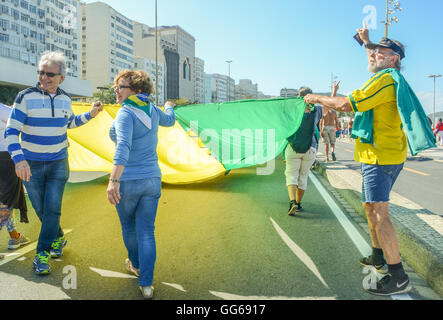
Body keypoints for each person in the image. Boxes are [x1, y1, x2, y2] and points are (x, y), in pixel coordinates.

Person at [303, 25, 421, 295]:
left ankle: (398, 276)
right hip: (378, 155)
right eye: (373, 51)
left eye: (380, 52)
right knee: (370, 208)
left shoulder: (385, 80)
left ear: (394, 59)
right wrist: (366, 43)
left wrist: (314, 97)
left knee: (380, 214)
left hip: (381, 158)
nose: (374, 55)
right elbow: (370, 61)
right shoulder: (385, 75)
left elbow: (346, 105)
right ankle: (378, 256)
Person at [4, 51, 103, 275]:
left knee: (52, 209)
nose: (44, 78)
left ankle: (42, 254)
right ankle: (58, 237)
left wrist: (91, 115)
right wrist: (19, 160)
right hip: (31, 165)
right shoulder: (24, 97)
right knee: (41, 209)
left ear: (62, 78)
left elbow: (69, 123)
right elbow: (11, 132)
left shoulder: (66, 99)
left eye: (50, 74)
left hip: (59, 162)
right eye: (41, 72)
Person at [107, 70, 176, 299]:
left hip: (128, 181)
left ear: (137, 91)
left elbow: (122, 145)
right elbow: (171, 119)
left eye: (121, 87)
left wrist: (113, 180)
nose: (116, 91)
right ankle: (146, 285)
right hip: (152, 180)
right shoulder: (154, 110)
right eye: (116, 87)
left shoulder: (126, 113)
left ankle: (135, 264)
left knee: (129, 228)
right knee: (146, 232)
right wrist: (169, 105)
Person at [285, 87, 322, 215]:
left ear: (298, 96)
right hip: (310, 148)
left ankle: (292, 202)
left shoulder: (293, 110)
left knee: (291, 175)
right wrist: (333, 92)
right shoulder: (317, 109)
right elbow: (329, 108)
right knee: (303, 177)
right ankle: (299, 204)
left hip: (293, 147)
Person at [0, 103, 31, 253]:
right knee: (7, 201)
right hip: (6, 158)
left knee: (5, 201)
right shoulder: (4, 110)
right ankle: (14, 237)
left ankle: (14, 236)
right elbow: (22, 122)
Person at [319, 82, 340, 162]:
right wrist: (338, 128)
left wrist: (321, 130)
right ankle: (333, 152)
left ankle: (327, 157)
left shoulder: (324, 111)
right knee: (332, 142)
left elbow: (321, 122)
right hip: (332, 127)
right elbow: (337, 123)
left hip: (325, 127)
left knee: (326, 143)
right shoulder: (334, 112)